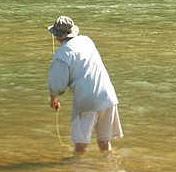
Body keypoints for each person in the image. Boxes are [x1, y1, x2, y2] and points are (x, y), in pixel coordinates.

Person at [47, 16, 123, 154]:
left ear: (57, 37)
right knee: (105, 144)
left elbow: (58, 86)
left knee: (81, 146)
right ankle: (109, 171)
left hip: (87, 101)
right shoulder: (87, 41)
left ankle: (79, 171)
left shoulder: (62, 55)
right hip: (108, 96)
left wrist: (53, 100)